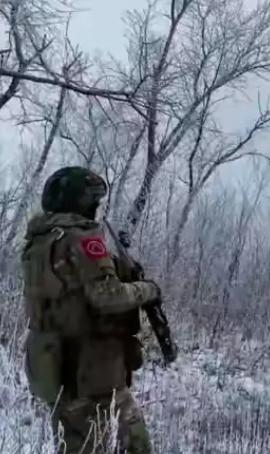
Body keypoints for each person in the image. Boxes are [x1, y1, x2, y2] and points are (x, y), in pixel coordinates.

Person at [21, 166, 160, 453]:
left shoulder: (39, 242)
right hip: (92, 371)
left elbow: (70, 291)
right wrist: (148, 289)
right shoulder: (81, 238)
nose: (96, 208)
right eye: (93, 202)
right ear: (81, 202)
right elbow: (107, 296)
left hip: (57, 368)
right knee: (132, 442)